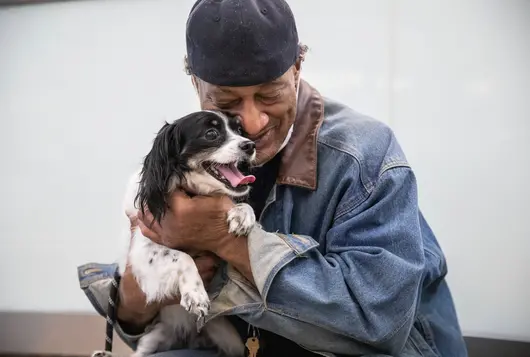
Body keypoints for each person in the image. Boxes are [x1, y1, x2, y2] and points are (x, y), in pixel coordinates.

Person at [77, 0, 469, 356]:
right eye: (227, 102)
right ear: (195, 84)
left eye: (269, 95)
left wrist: (222, 238)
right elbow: (152, 321)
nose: (250, 123)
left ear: (298, 68)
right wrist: (132, 293)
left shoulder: (366, 154)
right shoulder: (195, 156)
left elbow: (380, 322)